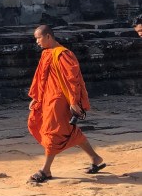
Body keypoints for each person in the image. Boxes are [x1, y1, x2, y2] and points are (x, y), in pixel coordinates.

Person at [27, 24, 105, 183]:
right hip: (48, 97)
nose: (37, 42)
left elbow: (72, 80)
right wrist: (36, 97)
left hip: (59, 100)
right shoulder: (46, 53)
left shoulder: (63, 54)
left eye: (38, 38)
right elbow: (41, 78)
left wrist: (74, 102)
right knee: (69, 131)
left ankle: (46, 170)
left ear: (48, 36)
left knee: (53, 131)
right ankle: (95, 158)